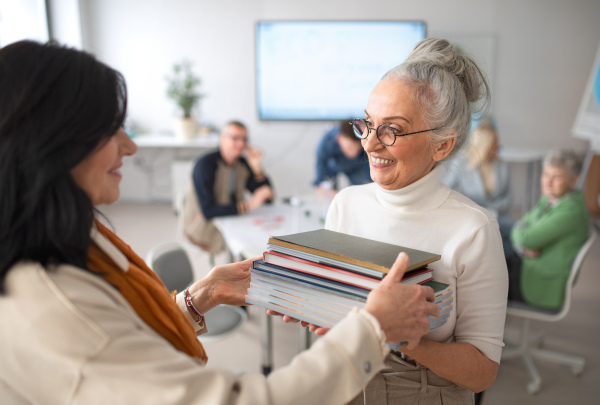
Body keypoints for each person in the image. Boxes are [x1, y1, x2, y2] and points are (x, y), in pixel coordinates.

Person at [0, 40, 440, 405]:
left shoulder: (76, 236)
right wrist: (373, 328)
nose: (130, 147)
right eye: (110, 130)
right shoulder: (58, 308)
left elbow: (129, 342)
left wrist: (200, 297)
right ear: (52, 144)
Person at [322, 38, 508, 403]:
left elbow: (483, 371)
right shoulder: (345, 205)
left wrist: (407, 339)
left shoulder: (474, 230)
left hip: (424, 390)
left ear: (442, 145)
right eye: (368, 124)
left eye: (392, 130)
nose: (370, 145)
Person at [508, 149, 589, 309]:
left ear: (573, 181)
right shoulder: (551, 198)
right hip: (529, 265)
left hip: (539, 282)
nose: (548, 182)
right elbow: (521, 226)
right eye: (545, 174)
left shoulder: (571, 210)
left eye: (556, 177)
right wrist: (522, 247)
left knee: (480, 280)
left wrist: (521, 240)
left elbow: (526, 237)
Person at [182, 121, 274, 254]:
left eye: (244, 139)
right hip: (203, 225)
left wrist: (257, 168)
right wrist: (250, 205)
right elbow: (208, 211)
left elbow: (267, 197)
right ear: (222, 138)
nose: (241, 144)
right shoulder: (205, 165)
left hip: (232, 217)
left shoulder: (242, 163)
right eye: (235, 138)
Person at [441, 120, 515, 255]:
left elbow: (508, 198)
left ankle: (506, 268)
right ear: (485, 145)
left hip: (498, 215)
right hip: (471, 215)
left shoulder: (503, 165)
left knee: (512, 234)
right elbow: (445, 190)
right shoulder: (461, 163)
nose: (499, 145)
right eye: (495, 142)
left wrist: (493, 211)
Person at [313, 119, 371, 194]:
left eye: (357, 149)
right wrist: (321, 185)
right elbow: (321, 166)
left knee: (363, 190)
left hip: (356, 167)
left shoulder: (365, 144)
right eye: (349, 148)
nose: (353, 153)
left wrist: (368, 184)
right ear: (339, 138)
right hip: (332, 167)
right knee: (327, 189)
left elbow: (368, 168)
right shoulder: (326, 142)